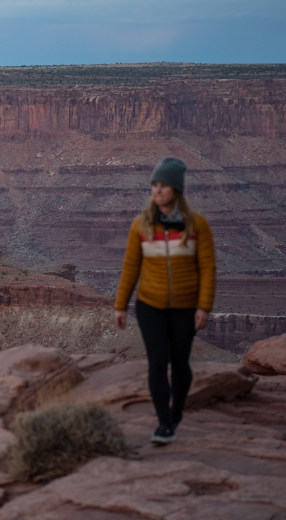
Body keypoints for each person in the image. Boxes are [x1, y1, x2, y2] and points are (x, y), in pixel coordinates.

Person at [113, 157, 216, 445]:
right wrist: (121, 305)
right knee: (158, 362)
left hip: (185, 307)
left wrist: (203, 307)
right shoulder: (141, 226)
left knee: (180, 363)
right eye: (154, 185)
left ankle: (176, 412)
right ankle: (163, 423)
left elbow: (207, 268)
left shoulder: (197, 226)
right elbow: (130, 268)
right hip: (150, 306)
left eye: (164, 185)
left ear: (177, 190)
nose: (157, 191)